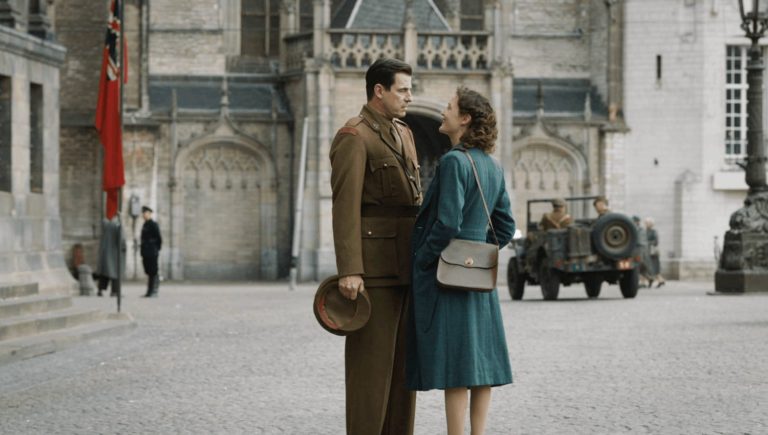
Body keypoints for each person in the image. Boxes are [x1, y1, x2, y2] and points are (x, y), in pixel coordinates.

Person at [408, 87, 515, 435]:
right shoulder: (492, 166)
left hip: (450, 274)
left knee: (457, 365)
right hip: (479, 277)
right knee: (481, 364)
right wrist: (478, 251)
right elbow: (505, 227)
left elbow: (448, 223)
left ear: (465, 119)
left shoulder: (454, 161)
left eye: (450, 107)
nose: (444, 112)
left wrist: (424, 258)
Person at [329, 57, 422, 435]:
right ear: (379, 91)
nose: (409, 97)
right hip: (374, 272)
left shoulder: (405, 133)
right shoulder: (354, 136)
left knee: (403, 374)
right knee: (370, 372)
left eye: (410, 90)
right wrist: (350, 269)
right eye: (403, 90)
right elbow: (345, 206)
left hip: (407, 266)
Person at [96, 216, 126, 297]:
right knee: (116, 272)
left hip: (105, 251)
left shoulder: (105, 225)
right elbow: (121, 239)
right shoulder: (117, 225)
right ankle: (115, 291)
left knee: (105, 272)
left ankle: (100, 290)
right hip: (115, 252)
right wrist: (123, 248)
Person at [140, 206, 162, 298]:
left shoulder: (153, 224)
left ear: (149, 214)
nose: (143, 215)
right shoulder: (145, 225)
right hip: (146, 252)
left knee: (153, 272)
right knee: (149, 272)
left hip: (152, 252)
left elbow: (159, 238)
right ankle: (149, 291)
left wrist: (156, 249)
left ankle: (154, 290)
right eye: (143, 213)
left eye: (145, 213)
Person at [633, 215, 654, 288]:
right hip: (639, 249)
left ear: (637, 222)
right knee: (641, 268)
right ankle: (649, 278)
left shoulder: (639, 229)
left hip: (639, 249)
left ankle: (637, 282)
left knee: (637, 265)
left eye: (634, 221)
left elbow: (638, 241)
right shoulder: (640, 229)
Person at [645, 217, 666, 288]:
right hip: (647, 252)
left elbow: (656, 242)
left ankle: (659, 280)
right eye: (645, 223)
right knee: (649, 268)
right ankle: (657, 280)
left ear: (651, 224)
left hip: (653, 253)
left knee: (654, 267)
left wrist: (647, 243)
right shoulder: (645, 231)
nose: (645, 224)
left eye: (647, 223)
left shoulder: (654, 232)